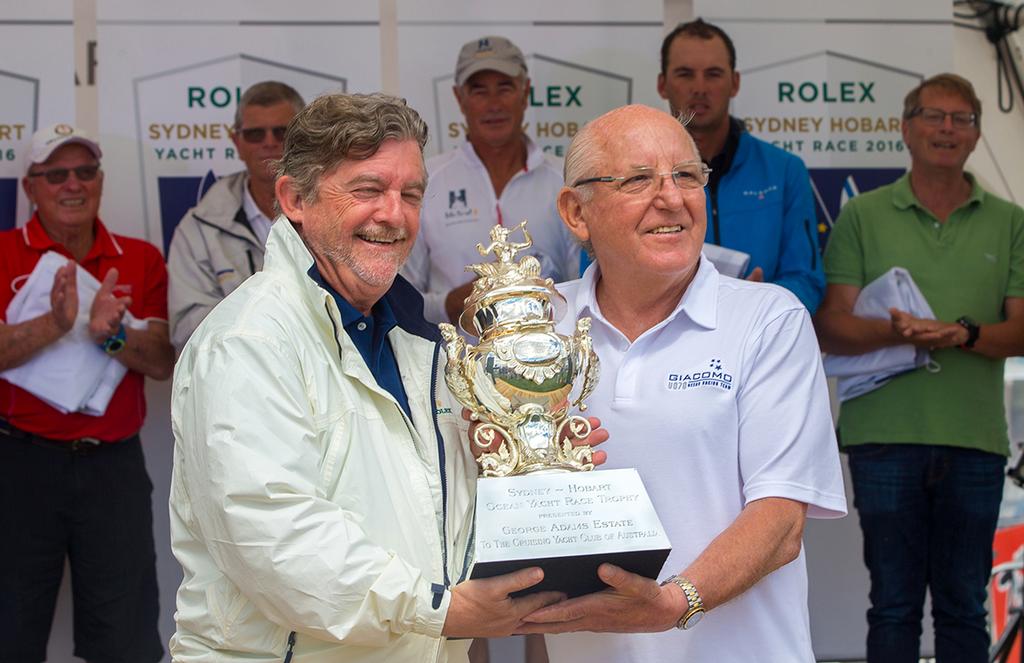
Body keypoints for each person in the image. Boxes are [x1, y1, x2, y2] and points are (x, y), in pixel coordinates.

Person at [169, 92, 581, 663]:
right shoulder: (249, 342)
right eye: (367, 190)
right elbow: (276, 538)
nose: (394, 215)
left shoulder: (425, 346)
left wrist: (533, 464)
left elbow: (438, 512)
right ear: (294, 199)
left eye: (411, 194)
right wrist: (443, 610)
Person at [518, 105, 847, 662]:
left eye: (688, 176)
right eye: (639, 179)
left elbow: (781, 520)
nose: (672, 198)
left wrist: (675, 603)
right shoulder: (533, 329)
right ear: (576, 212)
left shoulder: (769, 319)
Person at [815, 73, 1024, 663]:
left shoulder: (1010, 221)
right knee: (894, 606)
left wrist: (963, 334)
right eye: (934, 116)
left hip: (974, 438)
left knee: (964, 607)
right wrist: (900, 333)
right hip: (883, 435)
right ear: (905, 129)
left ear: (978, 134)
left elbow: (1022, 329)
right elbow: (831, 324)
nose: (947, 129)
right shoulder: (863, 215)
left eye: (962, 119)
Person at [0, 124, 173, 663]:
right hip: (18, 466)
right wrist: (56, 323)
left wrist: (112, 336)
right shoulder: (3, 252)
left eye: (85, 171)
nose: (72, 184)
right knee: (10, 632)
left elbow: (164, 362)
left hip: (111, 471)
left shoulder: (139, 258)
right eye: (56, 174)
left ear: (99, 180)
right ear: (30, 187)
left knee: (126, 640)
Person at [404, 35, 579, 325]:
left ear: (526, 93)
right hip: (450, 366)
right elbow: (397, 297)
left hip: (549, 363)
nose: (493, 104)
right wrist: (448, 303)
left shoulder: (564, 180)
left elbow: (587, 286)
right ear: (460, 99)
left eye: (505, 88)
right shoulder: (426, 180)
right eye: (479, 91)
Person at [658, 18, 825, 313]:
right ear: (662, 84)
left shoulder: (784, 171)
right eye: (685, 74)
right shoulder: (630, 173)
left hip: (762, 342)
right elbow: (602, 275)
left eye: (713, 74)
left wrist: (756, 303)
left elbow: (807, 281)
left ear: (734, 83)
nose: (700, 88)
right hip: (661, 345)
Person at [167, 80, 305, 352]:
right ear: (237, 142)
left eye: (281, 132)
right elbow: (186, 331)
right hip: (237, 385)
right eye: (255, 134)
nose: (269, 143)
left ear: (304, 138)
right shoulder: (198, 228)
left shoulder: (339, 212)